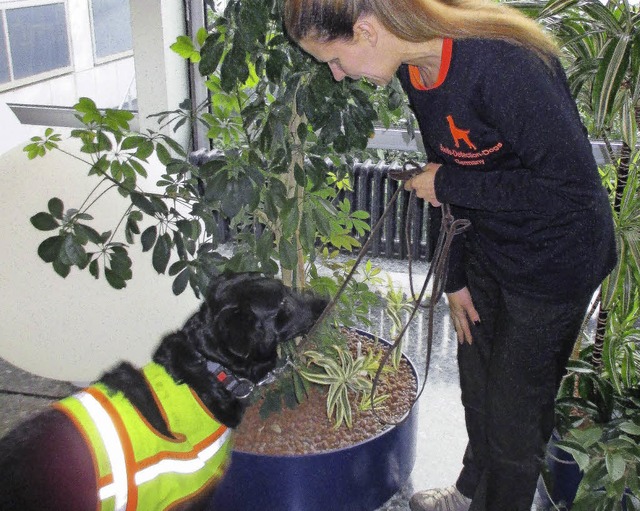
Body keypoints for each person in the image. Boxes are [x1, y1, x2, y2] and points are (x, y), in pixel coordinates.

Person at [282, 1, 617, 510]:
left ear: (366, 32)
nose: (335, 75)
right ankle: (467, 491)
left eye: (333, 59)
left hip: (556, 263)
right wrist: (454, 277)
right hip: (490, 245)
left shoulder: (504, 65)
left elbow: (569, 193)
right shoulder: (417, 72)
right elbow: (450, 168)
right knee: (479, 392)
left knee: (514, 424)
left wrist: (450, 183)